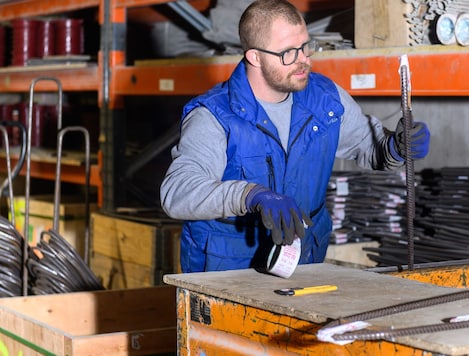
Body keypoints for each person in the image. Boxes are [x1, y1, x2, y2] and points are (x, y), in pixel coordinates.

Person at [160, 0, 430, 273]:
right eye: (288, 52)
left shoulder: (326, 98)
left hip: (304, 259)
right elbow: (177, 193)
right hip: (228, 267)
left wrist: (397, 147)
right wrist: (249, 195)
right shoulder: (214, 115)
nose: (303, 60)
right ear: (255, 57)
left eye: (305, 46)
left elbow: (369, 147)